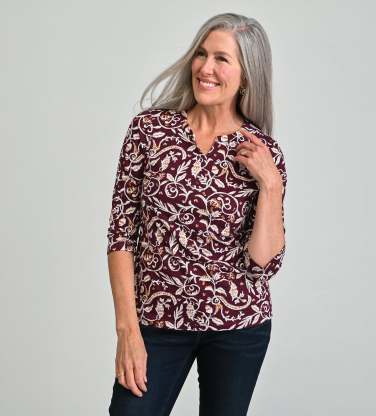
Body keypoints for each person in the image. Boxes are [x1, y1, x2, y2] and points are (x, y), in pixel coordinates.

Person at [106, 12, 287, 416]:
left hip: (238, 327)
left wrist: (270, 185)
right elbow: (121, 236)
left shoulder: (262, 153)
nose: (206, 68)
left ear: (246, 75)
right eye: (202, 54)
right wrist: (127, 331)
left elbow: (261, 263)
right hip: (157, 322)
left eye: (222, 59)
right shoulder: (149, 131)